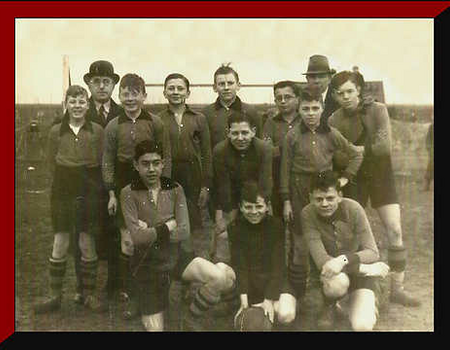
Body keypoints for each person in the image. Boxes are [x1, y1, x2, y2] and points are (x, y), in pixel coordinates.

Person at [120, 140, 235, 331]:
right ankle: (143, 300)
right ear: (136, 165)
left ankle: (190, 319)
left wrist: (150, 229)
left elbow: (184, 231)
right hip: (148, 265)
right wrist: (167, 226)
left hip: (177, 257)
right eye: (145, 163)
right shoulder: (128, 192)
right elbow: (137, 238)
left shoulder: (175, 188)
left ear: (163, 164)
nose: (151, 169)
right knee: (155, 330)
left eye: (156, 163)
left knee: (219, 277)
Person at [328, 70, 421, 307]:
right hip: (354, 177)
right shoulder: (333, 120)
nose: (346, 97)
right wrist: (353, 155)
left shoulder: (377, 110)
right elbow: (337, 157)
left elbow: (384, 147)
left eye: (350, 91)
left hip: (380, 174)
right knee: (353, 236)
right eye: (340, 93)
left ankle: (397, 288)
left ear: (359, 90)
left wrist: (356, 151)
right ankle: (354, 289)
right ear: (335, 96)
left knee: (395, 230)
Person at [280, 85, 363, 306]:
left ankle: (325, 288)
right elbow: (284, 170)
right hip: (299, 192)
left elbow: (356, 154)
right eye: (305, 108)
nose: (310, 113)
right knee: (299, 243)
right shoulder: (292, 136)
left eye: (315, 108)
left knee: (325, 242)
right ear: (299, 109)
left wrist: (344, 179)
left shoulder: (332, 134)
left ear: (322, 108)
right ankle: (299, 292)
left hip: (324, 192)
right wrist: (287, 201)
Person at [102, 73, 172, 318]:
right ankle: (132, 295)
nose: (130, 98)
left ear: (144, 95)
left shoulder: (155, 123)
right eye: (125, 94)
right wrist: (111, 193)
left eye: (135, 93)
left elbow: (166, 156)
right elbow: (108, 161)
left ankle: (153, 295)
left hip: (150, 183)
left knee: (150, 239)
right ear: (119, 96)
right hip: (123, 185)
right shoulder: (113, 125)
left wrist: (164, 188)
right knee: (129, 242)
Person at [34, 85, 105, 313]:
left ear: (87, 104)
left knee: (86, 240)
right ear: (66, 104)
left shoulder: (97, 130)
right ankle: (54, 295)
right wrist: (55, 189)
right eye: (72, 102)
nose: (77, 106)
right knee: (60, 240)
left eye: (81, 101)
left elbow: (103, 161)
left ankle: (88, 294)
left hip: (89, 184)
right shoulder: (56, 131)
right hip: (63, 186)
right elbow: (49, 164)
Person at [302, 171, 390, 331]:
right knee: (338, 282)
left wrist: (343, 259)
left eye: (330, 198)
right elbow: (322, 261)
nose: (324, 204)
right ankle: (332, 305)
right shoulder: (307, 214)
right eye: (318, 199)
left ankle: (368, 299)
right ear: (310, 198)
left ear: (340, 196)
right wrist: (365, 269)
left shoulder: (353, 208)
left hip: (358, 276)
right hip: (332, 275)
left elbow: (372, 252)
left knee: (362, 326)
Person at [71, 60, 122, 307]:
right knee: (82, 234)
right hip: (85, 183)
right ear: (89, 85)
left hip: (113, 184)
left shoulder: (123, 113)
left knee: (115, 234)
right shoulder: (78, 111)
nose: (101, 86)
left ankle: (116, 285)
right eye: (96, 82)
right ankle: (83, 288)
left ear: (113, 85)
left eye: (106, 82)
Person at [229, 181, 296, 331]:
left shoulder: (276, 226)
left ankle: (271, 313)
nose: (253, 212)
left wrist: (269, 298)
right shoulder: (234, 227)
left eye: (259, 206)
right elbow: (240, 265)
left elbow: (278, 265)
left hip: (275, 280)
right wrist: (244, 302)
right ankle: (257, 311)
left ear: (267, 206)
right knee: (250, 320)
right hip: (252, 283)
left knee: (286, 314)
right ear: (240, 207)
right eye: (248, 207)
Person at [157, 73, 212, 251]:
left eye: (180, 88)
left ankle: (190, 257)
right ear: (164, 92)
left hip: (192, 174)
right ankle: (171, 259)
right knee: (168, 216)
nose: (175, 92)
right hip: (168, 173)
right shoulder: (158, 119)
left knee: (191, 217)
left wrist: (205, 185)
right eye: (171, 88)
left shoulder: (199, 118)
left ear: (188, 93)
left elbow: (206, 153)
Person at [212, 112, 273, 263]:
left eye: (245, 132)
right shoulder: (220, 150)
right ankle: (222, 267)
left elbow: (265, 181)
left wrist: (254, 206)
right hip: (230, 199)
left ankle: (259, 266)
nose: (240, 138)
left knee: (263, 233)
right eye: (235, 133)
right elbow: (223, 185)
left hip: (258, 197)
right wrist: (228, 213)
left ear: (253, 131)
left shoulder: (264, 149)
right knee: (223, 234)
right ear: (228, 133)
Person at [263, 80, 302, 218]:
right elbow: (267, 151)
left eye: (288, 97)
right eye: (279, 98)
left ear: (297, 99)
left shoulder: (304, 120)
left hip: (302, 175)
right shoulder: (271, 122)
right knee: (280, 216)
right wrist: (288, 149)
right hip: (278, 174)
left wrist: (279, 148)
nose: (283, 101)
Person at [202, 63, 263, 151]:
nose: (226, 87)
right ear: (215, 87)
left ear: (238, 85)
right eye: (221, 84)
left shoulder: (251, 111)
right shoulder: (206, 113)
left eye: (230, 83)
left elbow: (258, 143)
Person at [302, 54, 339, 122]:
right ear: (307, 79)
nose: (317, 81)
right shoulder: (301, 98)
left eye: (321, 76)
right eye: (313, 77)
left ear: (329, 78)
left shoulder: (338, 98)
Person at [423, 121, 434, 191]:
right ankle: (426, 185)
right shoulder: (432, 126)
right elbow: (428, 139)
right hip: (433, 150)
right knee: (430, 167)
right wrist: (429, 148)